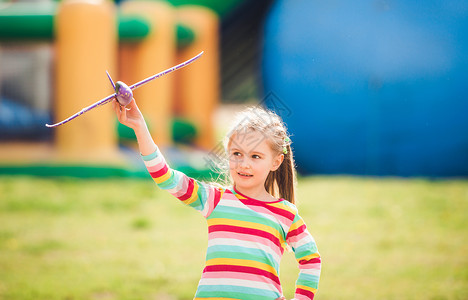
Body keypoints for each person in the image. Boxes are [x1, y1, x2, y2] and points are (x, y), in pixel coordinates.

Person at [113, 99, 321, 300]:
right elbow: (165, 177)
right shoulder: (214, 199)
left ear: (276, 161)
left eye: (255, 156)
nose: (244, 164)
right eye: (237, 153)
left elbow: (311, 260)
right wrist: (140, 126)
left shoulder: (286, 214)